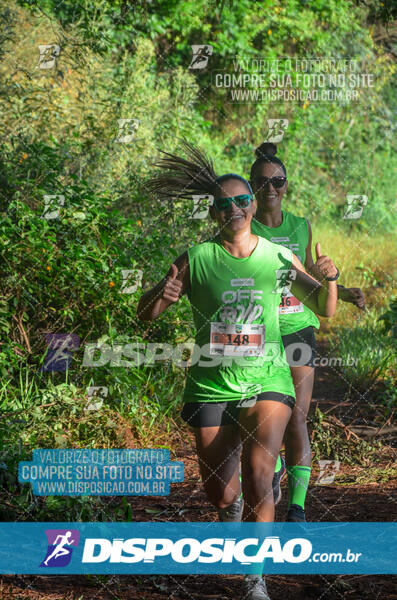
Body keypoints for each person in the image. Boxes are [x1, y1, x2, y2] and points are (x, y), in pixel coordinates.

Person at [137, 141, 338, 600]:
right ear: (214, 213)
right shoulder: (196, 258)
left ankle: (255, 578)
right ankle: (230, 519)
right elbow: (143, 313)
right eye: (225, 204)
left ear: (252, 204)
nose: (237, 209)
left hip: (268, 377)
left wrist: (328, 278)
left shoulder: (276, 256)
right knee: (221, 494)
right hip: (210, 382)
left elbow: (323, 310)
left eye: (243, 200)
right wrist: (160, 298)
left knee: (259, 474)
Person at [250, 142, 365, 522]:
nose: (271, 189)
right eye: (263, 182)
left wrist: (342, 290)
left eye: (278, 181)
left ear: (286, 186)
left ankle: (297, 507)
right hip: (258, 332)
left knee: (297, 416)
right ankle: (276, 469)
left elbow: (311, 281)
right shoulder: (242, 225)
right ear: (252, 187)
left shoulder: (300, 226)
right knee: (258, 417)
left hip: (298, 327)